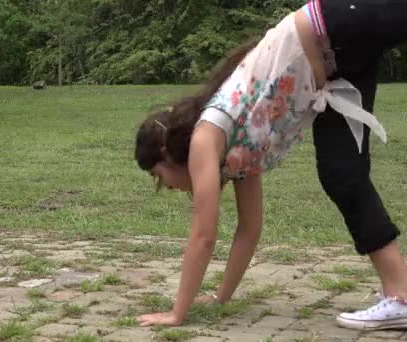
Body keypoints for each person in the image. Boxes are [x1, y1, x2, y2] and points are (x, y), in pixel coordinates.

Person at [134, 0, 407, 330]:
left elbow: (204, 235)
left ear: (165, 154)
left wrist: (178, 313)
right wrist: (221, 296)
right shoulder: (235, 155)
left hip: (331, 25)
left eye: (158, 176)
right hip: (338, 68)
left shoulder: (207, 136)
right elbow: (249, 231)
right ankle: (400, 296)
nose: (170, 188)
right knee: (342, 175)